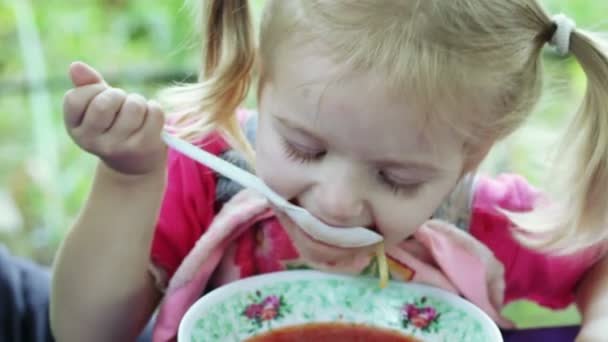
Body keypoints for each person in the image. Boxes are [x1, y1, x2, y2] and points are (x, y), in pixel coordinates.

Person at [50, 1, 608, 341]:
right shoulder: (204, 178)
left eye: (397, 179)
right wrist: (127, 180)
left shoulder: (478, 223)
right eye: (303, 148)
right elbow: (82, 333)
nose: (336, 202)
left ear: (472, 156)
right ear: (259, 85)